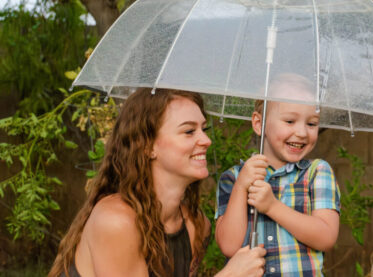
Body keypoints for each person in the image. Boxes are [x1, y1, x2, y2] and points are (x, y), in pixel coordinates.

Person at [48, 88, 266, 277]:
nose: (206, 140)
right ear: (148, 146)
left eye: (204, 129)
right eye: (189, 131)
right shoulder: (116, 222)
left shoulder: (195, 226)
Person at [215, 75, 341, 276]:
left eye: (311, 124)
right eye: (290, 121)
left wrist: (272, 207)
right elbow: (229, 246)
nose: (301, 132)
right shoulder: (234, 178)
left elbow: (326, 237)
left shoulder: (317, 173)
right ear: (259, 123)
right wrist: (241, 187)